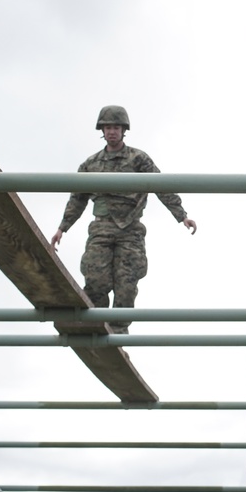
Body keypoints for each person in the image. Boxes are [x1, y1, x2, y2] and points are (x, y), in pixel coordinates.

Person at [51, 106, 197, 333]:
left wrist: (182, 216)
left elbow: (162, 186)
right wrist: (63, 228)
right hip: (101, 227)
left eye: (116, 127)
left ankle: (118, 332)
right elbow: (77, 198)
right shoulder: (91, 164)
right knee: (95, 280)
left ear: (123, 130)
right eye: (108, 127)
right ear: (102, 130)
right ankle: (95, 325)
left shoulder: (138, 159)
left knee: (126, 284)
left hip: (130, 230)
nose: (112, 131)